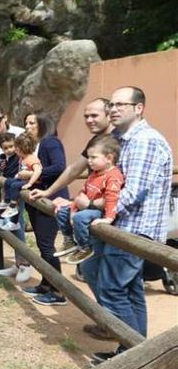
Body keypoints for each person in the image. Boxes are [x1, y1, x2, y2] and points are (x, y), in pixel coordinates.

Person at [89, 86, 173, 364]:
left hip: (133, 228)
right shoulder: (121, 139)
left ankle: (130, 356)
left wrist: (95, 207)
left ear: (139, 108)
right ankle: (137, 352)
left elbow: (133, 191)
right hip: (123, 226)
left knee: (112, 288)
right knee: (129, 289)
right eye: (111, 104)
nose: (113, 109)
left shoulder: (144, 140)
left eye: (120, 104)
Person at [29, 98, 114, 338]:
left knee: (115, 280)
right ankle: (108, 323)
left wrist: (91, 203)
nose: (89, 120)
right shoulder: (95, 142)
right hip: (91, 212)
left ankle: (124, 335)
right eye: (86, 116)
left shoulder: (118, 141)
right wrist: (49, 192)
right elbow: (74, 170)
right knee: (90, 268)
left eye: (94, 115)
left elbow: (117, 181)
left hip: (110, 215)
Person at [19, 111, 69, 306]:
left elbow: (59, 167)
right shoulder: (36, 145)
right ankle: (46, 284)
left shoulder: (51, 142)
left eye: (32, 123)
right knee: (42, 245)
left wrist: (32, 176)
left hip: (51, 200)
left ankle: (58, 292)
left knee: (47, 247)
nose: (28, 126)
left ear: (43, 124)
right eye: (26, 123)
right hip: (38, 201)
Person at [54, 134, 124, 265]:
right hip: (85, 207)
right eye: (89, 157)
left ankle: (85, 247)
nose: (89, 161)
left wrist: (108, 218)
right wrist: (73, 208)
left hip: (99, 211)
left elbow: (112, 198)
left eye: (93, 157)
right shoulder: (94, 173)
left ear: (109, 158)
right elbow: (83, 192)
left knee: (79, 218)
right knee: (62, 211)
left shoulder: (113, 176)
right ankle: (69, 241)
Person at [0, 108, 30, 280]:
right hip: (6, 186)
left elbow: (28, 157)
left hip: (19, 184)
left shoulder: (19, 133)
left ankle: (25, 264)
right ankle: (18, 264)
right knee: (8, 223)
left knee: (16, 222)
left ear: (5, 117)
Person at [0, 132, 42, 223]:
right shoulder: (22, 158)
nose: (14, 151)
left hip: (31, 182)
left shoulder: (31, 158)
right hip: (23, 179)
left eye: (16, 149)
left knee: (14, 185)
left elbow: (38, 170)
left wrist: (30, 183)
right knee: (8, 181)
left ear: (21, 149)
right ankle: (6, 201)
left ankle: (13, 206)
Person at [0, 132, 20, 210]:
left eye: (11, 146)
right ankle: (4, 203)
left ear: (16, 145)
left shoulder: (19, 156)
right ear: (1, 148)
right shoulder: (2, 157)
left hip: (15, 182)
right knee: (3, 191)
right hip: (5, 181)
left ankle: (19, 221)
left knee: (17, 207)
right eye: (5, 148)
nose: (9, 150)